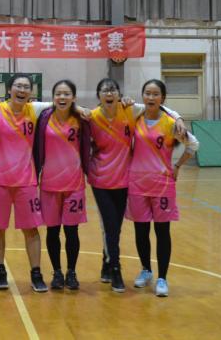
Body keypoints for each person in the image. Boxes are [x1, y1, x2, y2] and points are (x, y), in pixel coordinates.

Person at [127, 79, 198, 298]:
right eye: (147, 93)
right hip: (137, 183)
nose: (151, 97)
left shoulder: (170, 123)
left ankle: (162, 278)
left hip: (162, 184)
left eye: (155, 94)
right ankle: (146, 270)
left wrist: (177, 166)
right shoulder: (135, 117)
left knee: (162, 231)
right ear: (143, 96)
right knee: (141, 231)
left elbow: (193, 145)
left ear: (163, 98)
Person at [0, 73, 53, 293]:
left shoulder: (35, 109)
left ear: (31, 92)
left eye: (26, 87)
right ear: (9, 89)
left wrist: (80, 108)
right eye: (18, 86)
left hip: (26, 180)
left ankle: (36, 273)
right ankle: (0, 271)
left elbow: (63, 102)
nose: (22, 90)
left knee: (31, 229)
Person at [33, 79, 91, 291]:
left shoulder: (81, 119)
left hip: (74, 183)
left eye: (67, 94)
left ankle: (71, 272)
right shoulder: (44, 117)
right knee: (52, 231)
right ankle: (57, 272)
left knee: (72, 231)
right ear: (53, 97)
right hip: (49, 183)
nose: (62, 97)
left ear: (74, 97)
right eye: (58, 93)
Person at [87, 77, 133, 292]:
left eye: (113, 89)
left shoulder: (130, 111)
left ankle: (106, 261)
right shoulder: (91, 117)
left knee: (115, 227)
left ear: (119, 94)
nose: (109, 93)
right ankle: (116, 269)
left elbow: (157, 108)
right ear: (98, 96)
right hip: (100, 180)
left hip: (123, 179)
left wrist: (177, 117)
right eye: (104, 90)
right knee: (111, 226)